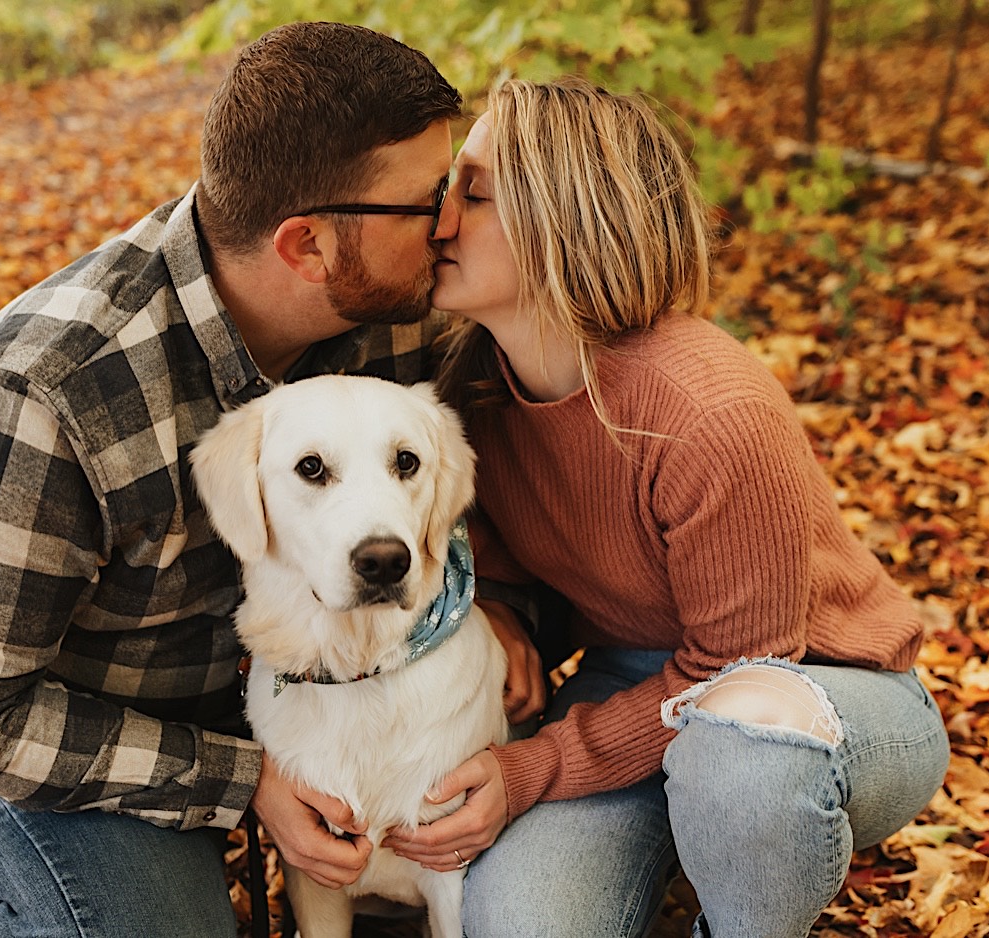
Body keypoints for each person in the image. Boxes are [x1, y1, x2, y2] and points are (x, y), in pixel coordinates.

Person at [0, 23, 545, 937]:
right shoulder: (38, 399)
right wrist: (243, 779)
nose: (451, 225)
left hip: (349, 707)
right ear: (307, 245)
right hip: (104, 740)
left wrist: (496, 601)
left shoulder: (403, 311)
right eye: (425, 200)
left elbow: (508, 486)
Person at [384, 77, 951, 938]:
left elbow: (736, 671)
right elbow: (498, 558)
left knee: (738, 760)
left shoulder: (708, 412)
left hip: (815, 694)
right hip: (632, 684)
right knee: (521, 924)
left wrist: (537, 766)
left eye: (473, 189)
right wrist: (497, 611)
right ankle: (695, 849)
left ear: (561, 218)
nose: (440, 219)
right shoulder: (467, 398)